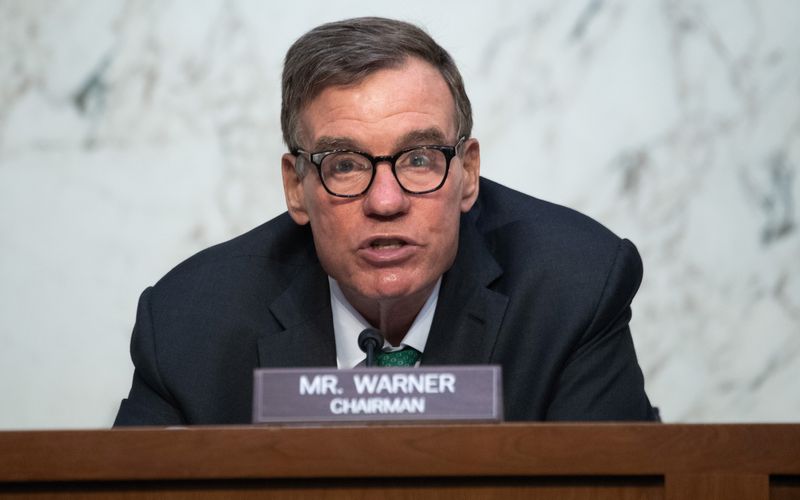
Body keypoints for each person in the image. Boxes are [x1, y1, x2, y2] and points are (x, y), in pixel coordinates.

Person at [114, 17, 658, 425]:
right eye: (345, 165)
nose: (386, 200)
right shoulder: (189, 324)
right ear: (295, 187)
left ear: (468, 173)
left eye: (419, 158)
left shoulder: (573, 288)